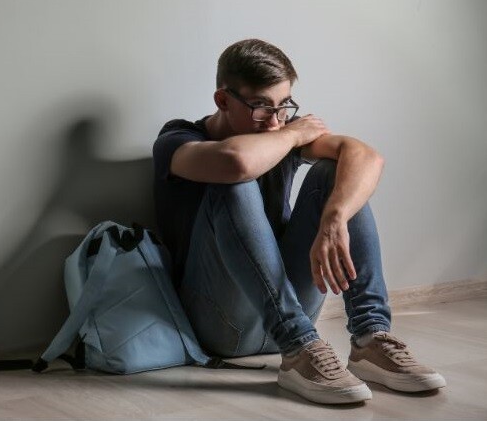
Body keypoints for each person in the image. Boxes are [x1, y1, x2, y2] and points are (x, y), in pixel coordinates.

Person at [151, 38, 446, 405]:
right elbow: (235, 163)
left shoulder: (277, 131)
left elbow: (367, 157)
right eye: (260, 107)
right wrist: (293, 134)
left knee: (334, 174)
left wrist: (335, 219)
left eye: (283, 107)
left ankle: (370, 338)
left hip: (292, 307)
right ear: (223, 100)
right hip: (220, 324)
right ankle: (296, 349)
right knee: (232, 184)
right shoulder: (177, 139)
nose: (274, 121)